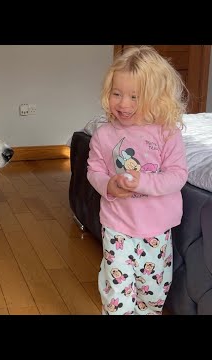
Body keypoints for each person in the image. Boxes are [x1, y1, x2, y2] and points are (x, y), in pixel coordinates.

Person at [87, 46, 188, 315]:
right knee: (117, 290)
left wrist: (142, 182)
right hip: (117, 225)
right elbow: (94, 170)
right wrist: (108, 185)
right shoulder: (103, 135)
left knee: (153, 292)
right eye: (116, 94)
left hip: (156, 229)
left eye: (135, 96)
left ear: (156, 97)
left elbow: (177, 176)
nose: (123, 104)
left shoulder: (167, 134)